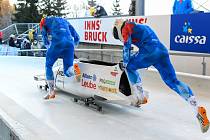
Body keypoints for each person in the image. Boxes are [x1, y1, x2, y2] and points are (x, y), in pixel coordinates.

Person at [112, 19, 209, 133]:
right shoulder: (139, 26)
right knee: (173, 81)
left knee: (129, 66)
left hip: (149, 52)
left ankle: (141, 95)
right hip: (162, 51)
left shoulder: (125, 27)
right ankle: (197, 109)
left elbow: (127, 46)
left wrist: (124, 62)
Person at [40, 16, 80, 100]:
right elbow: (74, 33)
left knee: (48, 65)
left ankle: (51, 91)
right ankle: (74, 69)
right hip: (70, 43)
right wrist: (75, 42)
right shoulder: (64, 20)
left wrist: (47, 45)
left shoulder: (43, 21)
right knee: (67, 70)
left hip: (58, 42)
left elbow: (44, 34)